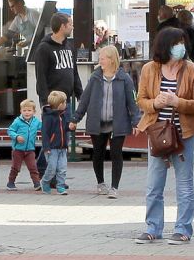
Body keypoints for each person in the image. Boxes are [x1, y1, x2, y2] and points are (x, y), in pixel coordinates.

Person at [135, 28, 194, 245]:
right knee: (154, 184)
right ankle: (152, 227)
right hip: (157, 132)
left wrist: (178, 102)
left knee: (184, 183)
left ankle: (183, 228)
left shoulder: (193, 70)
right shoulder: (149, 69)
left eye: (183, 42)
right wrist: (155, 103)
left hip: (184, 134)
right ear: (165, 45)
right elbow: (141, 99)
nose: (181, 46)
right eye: (176, 42)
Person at [70, 45, 139, 198]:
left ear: (111, 59)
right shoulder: (95, 77)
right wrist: (76, 118)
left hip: (117, 123)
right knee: (98, 153)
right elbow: (85, 100)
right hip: (98, 123)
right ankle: (101, 183)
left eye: (102, 58)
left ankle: (115, 187)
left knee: (116, 154)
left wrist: (136, 121)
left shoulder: (124, 79)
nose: (99, 60)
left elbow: (132, 102)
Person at [33, 12, 83, 178]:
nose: (72, 26)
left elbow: (73, 72)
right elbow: (41, 77)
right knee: (53, 140)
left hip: (65, 101)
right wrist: (45, 102)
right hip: (52, 102)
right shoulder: (44, 48)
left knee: (61, 140)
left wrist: (80, 94)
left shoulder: (69, 45)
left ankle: (47, 172)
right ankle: (46, 173)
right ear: (62, 26)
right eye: (70, 23)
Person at [6, 100, 42, 191]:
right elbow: (10, 130)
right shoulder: (17, 121)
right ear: (21, 111)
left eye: (29, 110)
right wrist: (16, 136)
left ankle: (37, 183)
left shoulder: (36, 121)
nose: (27, 112)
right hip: (18, 149)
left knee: (33, 167)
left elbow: (44, 127)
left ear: (34, 112)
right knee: (15, 167)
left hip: (30, 149)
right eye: (24, 110)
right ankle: (10, 183)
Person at [40, 90, 70, 195]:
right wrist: (46, 147)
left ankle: (61, 186)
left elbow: (65, 128)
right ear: (60, 104)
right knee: (52, 168)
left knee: (62, 168)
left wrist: (70, 127)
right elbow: (45, 133)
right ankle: (45, 181)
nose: (66, 104)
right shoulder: (48, 117)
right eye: (65, 102)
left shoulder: (63, 115)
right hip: (52, 148)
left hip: (62, 147)